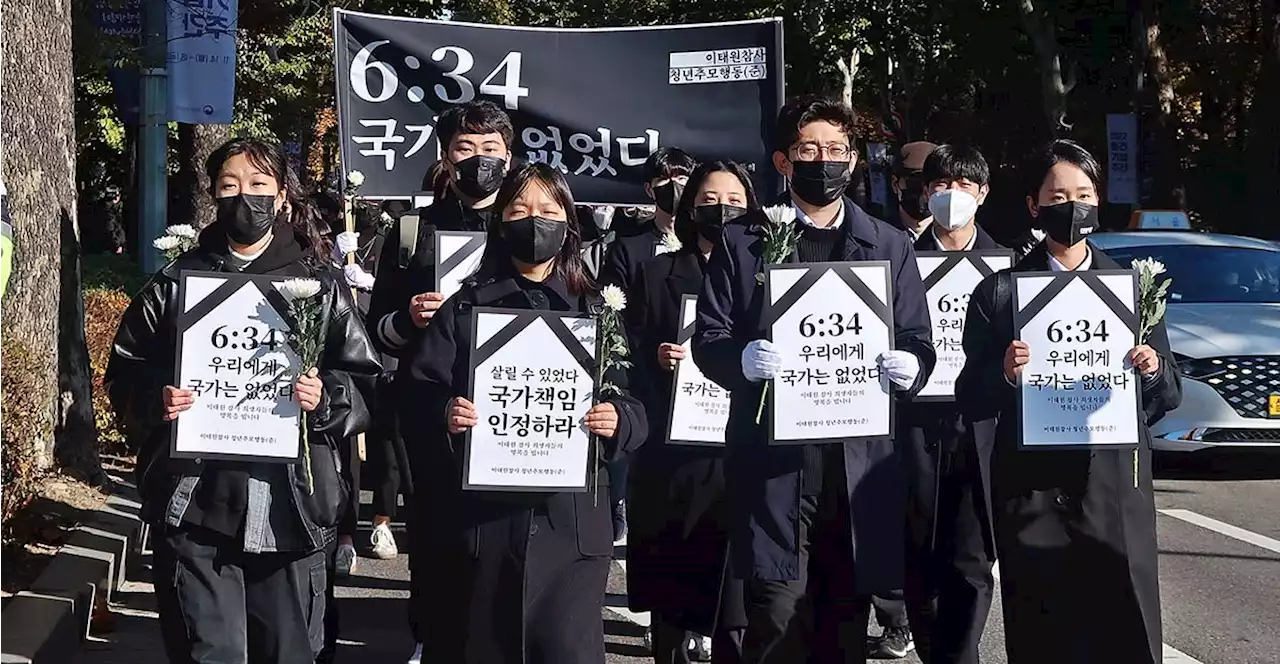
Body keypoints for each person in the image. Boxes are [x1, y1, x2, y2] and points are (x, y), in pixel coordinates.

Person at [104, 138, 382, 664]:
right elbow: (127, 368)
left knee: (289, 650)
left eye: (259, 186)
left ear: (281, 197)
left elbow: (363, 378)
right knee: (211, 650)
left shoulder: (317, 283)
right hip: (196, 501)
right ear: (213, 193)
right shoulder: (178, 281)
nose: (244, 198)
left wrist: (325, 400)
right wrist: (155, 399)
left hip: (293, 505)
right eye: (230, 186)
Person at [693, 96, 936, 664]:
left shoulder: (889, 244)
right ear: (783, 161)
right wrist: (741, 360)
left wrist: (913, 367)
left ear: (852, 162)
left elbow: (917, 337)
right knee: (776, 615)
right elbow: (710, 339)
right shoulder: (743, 241)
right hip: (775, 461)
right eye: (809, 149)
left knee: (843, 617)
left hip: (857, 462)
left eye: (836, 150)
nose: (823, 161)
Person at [400, 162, 649, 663]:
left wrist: (618, 419)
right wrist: (447, 412)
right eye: (519, 210)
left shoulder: (596, 311)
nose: (534, 221)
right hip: (483, 524)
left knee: (564, 650)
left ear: (569, 223)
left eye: (548, 210)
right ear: (500, 223)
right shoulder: (465, 308)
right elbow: (417, 392)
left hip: (572, 526)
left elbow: (639, 402)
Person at [956, 139, 1182, 664]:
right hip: (1031, 486)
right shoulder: (1001, 292)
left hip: (1111, 484)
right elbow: (970, 396)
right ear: (1035, 205)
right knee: (1043, 625)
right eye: (1059, 195)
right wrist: (1004, 374)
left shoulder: (1132, 289)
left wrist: (1150, 370)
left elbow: (1169, 394)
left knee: (1124, 623)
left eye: (1084, 194)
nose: (1073, 206)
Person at [364, 99, 514, 664]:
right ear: (445, 158)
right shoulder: (412, 232)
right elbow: (375, 329)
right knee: (433, 524)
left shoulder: (531, 223)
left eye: (492, 150)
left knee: (503, 527)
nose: (480, 161)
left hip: (507, 401)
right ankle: (431, 635)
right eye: (465, 149)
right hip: (428, 406)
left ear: (510, 155)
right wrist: (409, 320)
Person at [625, 161, 760, 664]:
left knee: (736, 595)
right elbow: (626, 356)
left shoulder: (767, 274)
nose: (721, 210)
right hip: (673, 453)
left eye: (734, 201)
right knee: (673, 586)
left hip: (740, 449)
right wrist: (657, 359)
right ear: (688, 207)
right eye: (708, 200)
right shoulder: (658, 274)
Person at [893, 144, 1006, 664]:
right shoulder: (897, 261)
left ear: (982, 194)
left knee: (972, 555)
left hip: (979, 425)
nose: (951, 196)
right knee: (918, 555)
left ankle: (960, 656)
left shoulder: (1008, 270)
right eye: (940, 185)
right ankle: (935, 650)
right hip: (913, 424)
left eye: (963, 186)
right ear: (924, 192)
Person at [598, 147, 697, 542]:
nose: (675, 189)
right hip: (646, 374)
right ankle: (625, 505)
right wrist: (643, 351)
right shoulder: (628, 247)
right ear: (648, 189)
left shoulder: (715, 242)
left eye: (684, 180)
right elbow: (613, 312)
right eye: (664, 182)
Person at [891, 141, 937, 241]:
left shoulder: (958, 238)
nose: (924, 189)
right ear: (895, 184)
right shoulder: (879, 237)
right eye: (915, 181)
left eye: (932, 182)